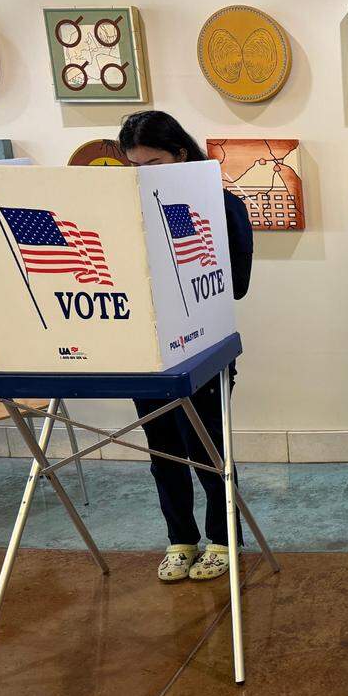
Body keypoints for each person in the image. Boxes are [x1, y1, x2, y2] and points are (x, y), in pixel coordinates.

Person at [117, 110, 254, 581]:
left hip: (205, 347)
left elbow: (237, 284)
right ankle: (180, 538)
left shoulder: (222, 205)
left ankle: (223, 537)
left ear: (180, 154)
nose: (141, 177)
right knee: (163, 449)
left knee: (208, 447)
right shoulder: (127, 213)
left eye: (151, 165)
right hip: (147, 350)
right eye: (133, 168)